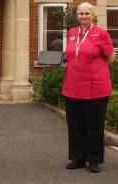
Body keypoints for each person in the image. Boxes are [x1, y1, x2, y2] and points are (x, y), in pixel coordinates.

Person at [62, 2, 115, 173]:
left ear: (92, 15)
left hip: (96, 87)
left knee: (94, 125)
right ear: (77, 16)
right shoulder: (71, 33)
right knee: (75, 124)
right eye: (81, 14)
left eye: (87, 14)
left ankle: (94, 160)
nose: (84, 16)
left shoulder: (101, 33)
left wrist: (94, 68)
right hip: (72, 86)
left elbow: (110, 58)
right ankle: (77, 158)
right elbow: (69, 55)